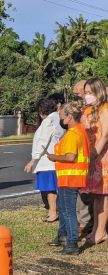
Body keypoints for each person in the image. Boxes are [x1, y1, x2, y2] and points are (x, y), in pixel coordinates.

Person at [47, 101, 90, 255]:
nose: (61, 120)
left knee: (68, 211)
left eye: (62, 117)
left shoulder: (72, 133)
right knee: (63, 206)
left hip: (70, 177)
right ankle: (63, 236)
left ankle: (71, 243)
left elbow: (70, 156)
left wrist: (54, 157)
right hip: (72, 176)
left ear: (70, 117)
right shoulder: (80, 130)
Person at [24, 98, 65, 222]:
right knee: (52, 188)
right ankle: (54, 210)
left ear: (41, 111)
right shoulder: (57, 118)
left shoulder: (48, 121)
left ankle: (53, 213)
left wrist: (33, 160)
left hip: (47, 160)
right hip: (55, 158)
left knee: (50, 188)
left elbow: (43, 141)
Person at [80, 78, 108, 245]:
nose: (88, 95)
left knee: (103, 196)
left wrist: (94, 155)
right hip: (91, 156)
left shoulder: (104, 109)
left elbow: (105, 135)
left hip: (101, 157)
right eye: (87, 92)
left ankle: (101, 231)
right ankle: (96, 229)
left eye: (91, 92)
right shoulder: (88, 110)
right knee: (96, 195)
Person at [73, 80, 94, 234]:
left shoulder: (99, 110)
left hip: (94, 154)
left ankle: (88, 222)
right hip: (83, 152)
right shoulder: (83, 109)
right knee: (81, 188)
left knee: (89, 192)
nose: (79, 96)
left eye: (81, 93)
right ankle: (82, 220)